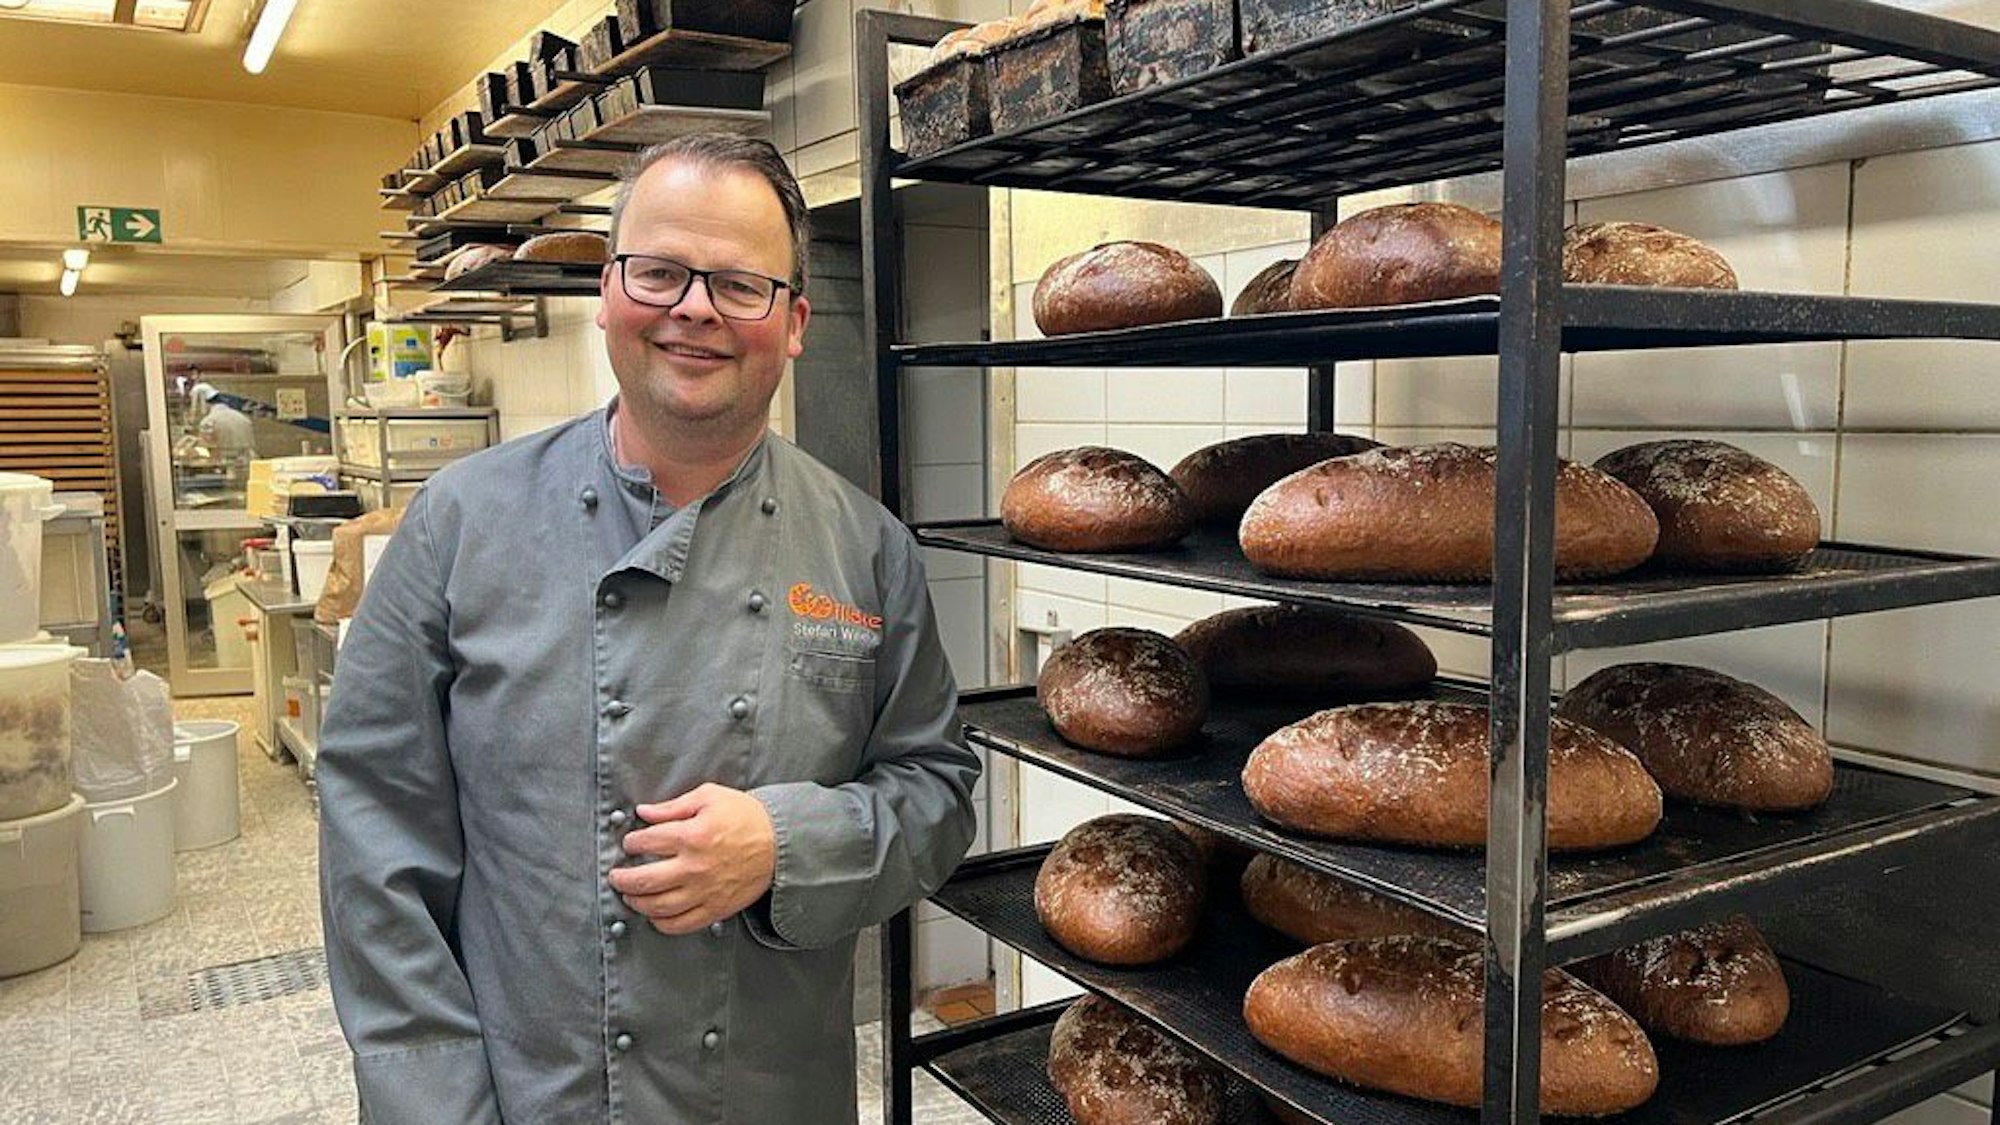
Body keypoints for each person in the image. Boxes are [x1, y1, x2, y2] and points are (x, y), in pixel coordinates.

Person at [316, 133, 981, 1124]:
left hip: (770, 1095)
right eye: (659, 272)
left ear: (793, 322)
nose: (694, 309)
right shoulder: (460, 522)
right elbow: (375, 844)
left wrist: (785, 841)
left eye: (738, 284)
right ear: (606, 293)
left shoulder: (865, 549)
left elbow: (934, 794)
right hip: (527, 1094)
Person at [190, 382, 253, 463]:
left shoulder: (208, 422)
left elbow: (207, 450)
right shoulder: (243, 418)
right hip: (246, 464)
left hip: (222, 466)